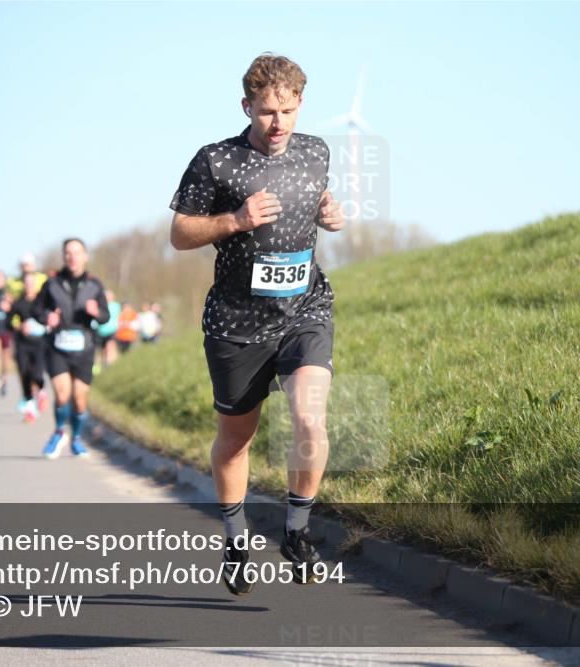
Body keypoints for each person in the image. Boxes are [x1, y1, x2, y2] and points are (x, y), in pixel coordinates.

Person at [169, 53, 344, 594]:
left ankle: (297, 530)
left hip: (303, 309)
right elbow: (179, 234)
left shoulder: (317, 150)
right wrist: (234, 220)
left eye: (287, 110)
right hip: (236, 323)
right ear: (246, 106)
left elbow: (312, 198)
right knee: (237, 439)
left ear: (300, 105)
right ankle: (237, 538)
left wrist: (327, 211)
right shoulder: (215, 161)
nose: (277, 124)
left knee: (309, 419)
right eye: (266, 111)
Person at [34, 238, 110, 459]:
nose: (72, 257)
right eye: (68, 253)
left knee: (79, 397)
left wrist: (96, 312)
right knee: (62, 392)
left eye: (76, 252)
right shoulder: (51, 284)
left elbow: (106, 316)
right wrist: (46, 316)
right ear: (64, 257)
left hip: (84, 348)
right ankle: (59, 432)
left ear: (85, 256)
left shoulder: (95, 285)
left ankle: (75, 438)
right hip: (57, 346)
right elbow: (37, 311)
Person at [10, 272, 49, 423]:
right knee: (25, 374)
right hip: (22, 344)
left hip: (40, 343)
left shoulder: (42, 302)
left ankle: (42, 392)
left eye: (31, 283)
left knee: (38, 374)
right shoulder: (18, 303)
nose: (29, 286)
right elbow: (9, 322)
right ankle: (30, 411)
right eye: (26, 283)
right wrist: (20, 326)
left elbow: (49, 319)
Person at [91, 290, 122, 368]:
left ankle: (111, 365)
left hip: (112, 330)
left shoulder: (116, 306)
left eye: (108, 296)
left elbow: (120, 317)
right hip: (100, 331)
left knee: (110, 347)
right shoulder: (100, 305)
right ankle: (100, 365)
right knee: (101, 350)